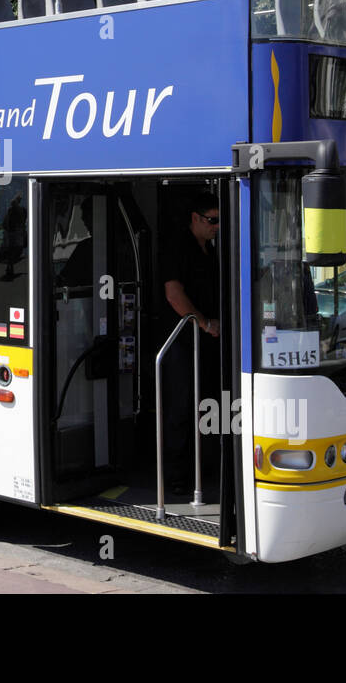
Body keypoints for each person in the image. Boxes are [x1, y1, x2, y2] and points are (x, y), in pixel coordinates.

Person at [160, 190, 221, 492]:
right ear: (195, 218)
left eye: (220, 221)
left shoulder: (212, 248)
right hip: (182, 343)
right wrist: (204, 323)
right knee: (181, 409)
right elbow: (174, 294)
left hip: (208, 342)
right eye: (212, 220)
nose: (217, 226)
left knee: (207, 404)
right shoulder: (177, 247)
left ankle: (206, 467)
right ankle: (175, 476)